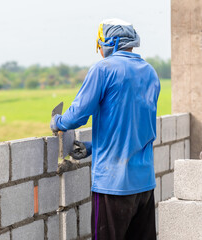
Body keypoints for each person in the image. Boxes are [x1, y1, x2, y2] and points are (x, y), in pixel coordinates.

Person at [50, 18, 160, 240]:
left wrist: (58, 121)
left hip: (113, 184)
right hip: (144, 184)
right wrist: (93, 147)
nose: (99, 49)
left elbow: (78, 115)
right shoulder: (150, 72)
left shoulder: (104, 69)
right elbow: (133, 127)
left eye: (99, 43)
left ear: (111, 42)